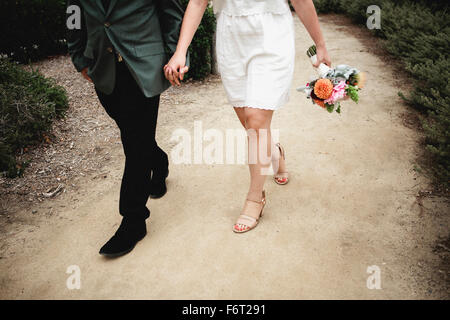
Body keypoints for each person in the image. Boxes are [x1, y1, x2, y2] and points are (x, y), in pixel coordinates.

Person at [165, 0, 331, 233]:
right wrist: (180, 51)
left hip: (272, 35)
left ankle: (255, 198)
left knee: (255, 118)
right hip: (231, 38)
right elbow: (199, 2)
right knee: (250, 123)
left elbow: (301, 1)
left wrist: (320, 44)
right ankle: (275, 151)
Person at [67, 0, 188, 257]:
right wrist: (78, 56)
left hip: (143, 66)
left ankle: (133, 221)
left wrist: (173, 53)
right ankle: (158, 159)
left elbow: (171, 11)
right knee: (136, 136)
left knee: (135, 145)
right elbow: (73, 12)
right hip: (103, 68)